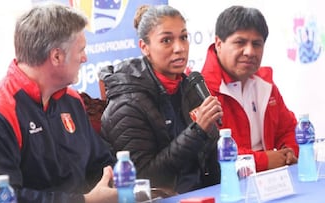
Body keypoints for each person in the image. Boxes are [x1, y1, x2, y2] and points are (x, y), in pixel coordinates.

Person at [0, 3, 117, 203]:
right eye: (81, 50)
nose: (85, 58)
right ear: (56, 56)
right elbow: (0, 198)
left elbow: (101, 163)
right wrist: (84, 201)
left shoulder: (71, 100)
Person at [99, 5, 223, 195]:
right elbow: (145, 178)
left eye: (183, 37)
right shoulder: (127, 103)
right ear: (144, 47)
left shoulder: (190, 86)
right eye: (166, 40)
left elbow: (211, 161)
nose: (179, 48)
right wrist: (197, 131)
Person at [201, 5, 299, 172]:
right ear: (218, 43)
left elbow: (288, 130)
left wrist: (289, 152)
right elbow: (212, 153)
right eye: (240, 42)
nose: (250, 51)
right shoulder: (200, 89)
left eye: (257, 44)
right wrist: (265, 161)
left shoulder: (265, 84)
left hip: (270, 183)